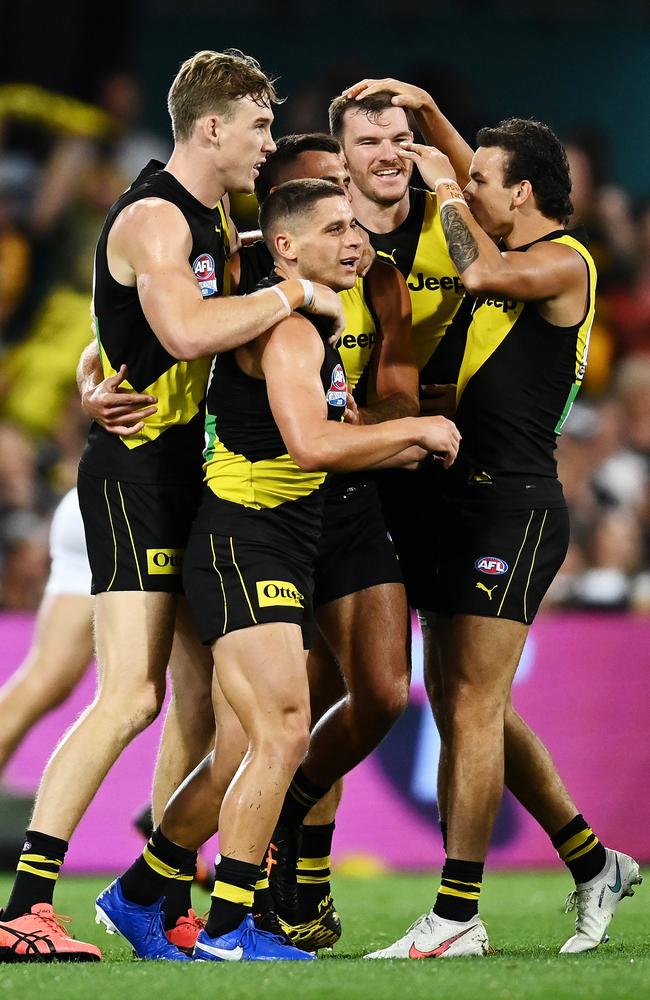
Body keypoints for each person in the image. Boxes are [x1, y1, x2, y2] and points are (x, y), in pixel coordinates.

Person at [0, 48, 345, 964]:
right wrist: (295, 292)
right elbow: (183, 328)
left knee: (207, 713)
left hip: (187, 475)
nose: (271, 143)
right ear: (212, 128)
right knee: (128, 695)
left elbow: (124, 328)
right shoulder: (157, 215)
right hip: (136, 480)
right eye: (262, 126)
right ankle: (26, 905)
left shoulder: (214, 217)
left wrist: (88, 367)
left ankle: (153, 898)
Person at [94, 178, 460, 963]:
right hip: (245, 545)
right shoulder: (291, 329)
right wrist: (421, 430)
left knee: (245, 750)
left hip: (272, 543)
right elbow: (312, 448)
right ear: (288, 248)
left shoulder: (303, 312)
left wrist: (392, 434)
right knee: (284, 732)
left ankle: (136, 894)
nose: (353, 241)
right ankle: (230, 929)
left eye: (356, 228)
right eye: (333, 229)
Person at [363, 117, 641, 959]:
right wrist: (436, 125)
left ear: (520, 192)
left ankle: (457, 913)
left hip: (513, 510)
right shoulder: (515, 253)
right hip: (457, 502)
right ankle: (596, 864)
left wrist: (446, 184)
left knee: (475, 706)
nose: (463, 184)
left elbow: (479, 260)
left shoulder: (565, 261)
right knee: (462, 706)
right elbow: (481, 205)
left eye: (481, 178)